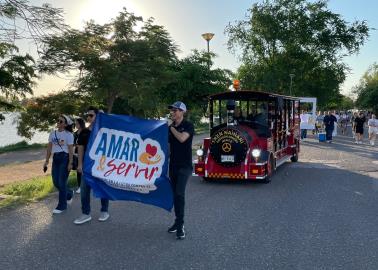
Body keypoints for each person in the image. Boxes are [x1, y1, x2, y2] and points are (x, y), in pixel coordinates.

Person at [74, 107, 110, 225]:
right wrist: (79, 164)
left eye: (91, 115)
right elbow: (80, 149)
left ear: (97, 116)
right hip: (87, 166)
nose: (88, 117)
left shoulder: (105, 131)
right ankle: (85, 214)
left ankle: (104, 211)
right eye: (87, 115)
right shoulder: (84, 132)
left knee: (103, 188)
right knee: (84, 190)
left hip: (101, 166)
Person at [167, 101, 194, 240]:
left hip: (185, 166)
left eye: (176, 110)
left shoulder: (188, 125)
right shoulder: (170, 128)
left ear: (182, 112)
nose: (173, 112)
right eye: (172, 110)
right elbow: (167, 146)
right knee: (175, 195)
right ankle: (177, 222)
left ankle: (180, 225)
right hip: (173, 165)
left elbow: (182, 138)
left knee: (179, 193)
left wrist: (171, 128)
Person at [43, 115, 74, 214]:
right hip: (56, 158)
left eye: (61, 121)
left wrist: (70, 163)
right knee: (56, 182)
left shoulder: (68, 135)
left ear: (65, 124)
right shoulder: (52, 133)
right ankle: (69, 193)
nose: (58, 122)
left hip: (65, 158)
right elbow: (49, 148)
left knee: (61, 182)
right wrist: (47, 160)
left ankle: (62, 205)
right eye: (58, 120)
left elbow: (70, 150)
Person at [73, 117, 86, 193]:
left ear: (81, 124)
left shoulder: (85, 132)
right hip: (77, 154)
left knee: (85, 170)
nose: (76, 125)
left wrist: (80, 145)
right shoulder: (75, 133)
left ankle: (86, 185)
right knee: (79, 170)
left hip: (84, 153)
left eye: (77, 123)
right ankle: (80, 186)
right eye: (75, 123)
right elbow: (73, 143)